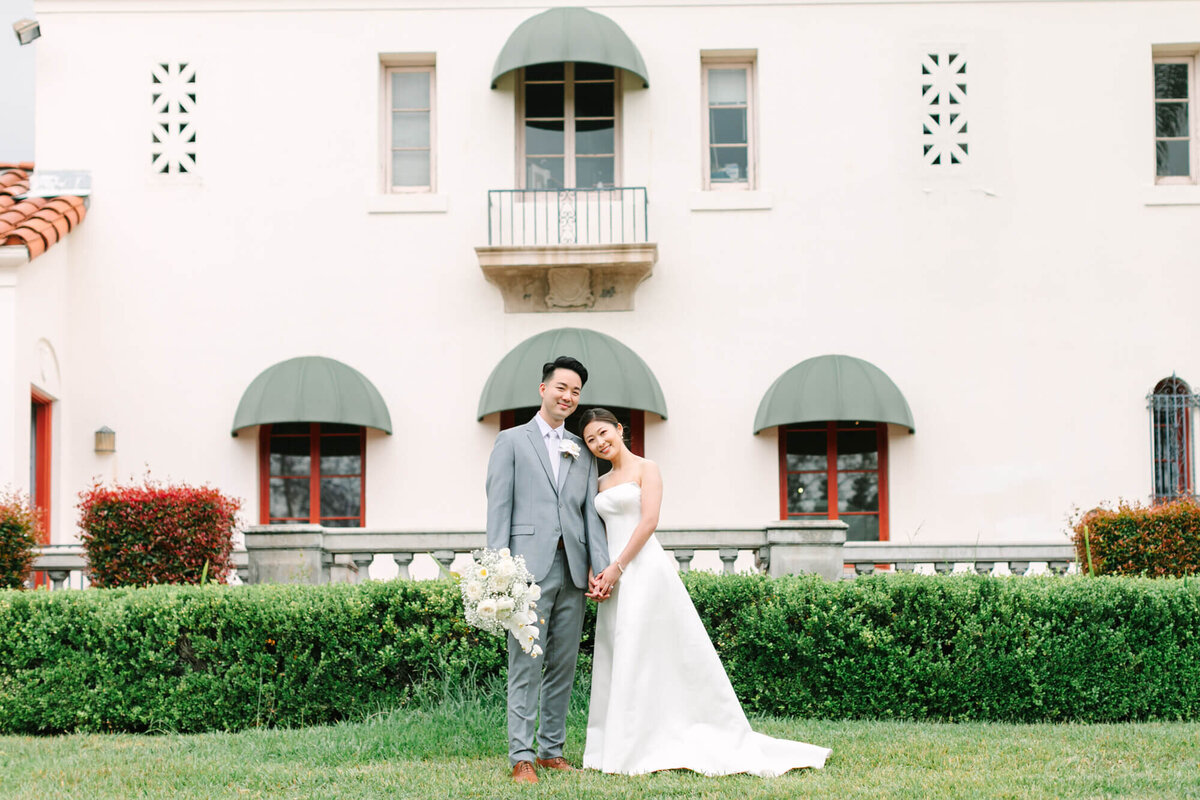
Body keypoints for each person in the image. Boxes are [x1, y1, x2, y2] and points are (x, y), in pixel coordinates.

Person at [579, 407, 831, 777]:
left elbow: (649, 521)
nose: (600, 442)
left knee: (653, 652)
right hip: (612, 576)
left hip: (643, 570)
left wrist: (618, 567)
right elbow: (595, 533)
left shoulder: (648, 469)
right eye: (591, 440)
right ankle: (622, 744)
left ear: (619, 429)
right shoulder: (598, 484)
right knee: (622, 653)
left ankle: (668, 737)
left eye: (604, 432)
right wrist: (597, 573)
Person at [485, 356, 610, 785]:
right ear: (543, 389)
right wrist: (499, 574)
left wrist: (600, 568)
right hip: (526, 572)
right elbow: (499, 508)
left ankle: (551, 750)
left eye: (576, 392)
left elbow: (591, 517)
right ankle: (522, 755)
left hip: (573, 571)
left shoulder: (583, 449)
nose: (568, 397)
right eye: (562, 388)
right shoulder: (511, 441)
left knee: (563, 664)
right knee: (525, 664)